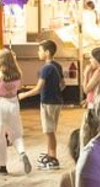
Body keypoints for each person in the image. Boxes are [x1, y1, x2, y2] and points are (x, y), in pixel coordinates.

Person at [19, 40, 66, 171]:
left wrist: (23, 95)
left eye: (40, 50)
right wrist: (55, 90)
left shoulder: (46, 68)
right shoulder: (57, 66)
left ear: (47, 52)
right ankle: (50, 153)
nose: (38, 53)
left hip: (48, 103)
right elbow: (63, 84)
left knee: (49, 131)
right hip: (56, 101)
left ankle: (53, 157)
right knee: (50, 130)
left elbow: (38, 88)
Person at [0, 49, 30, 175]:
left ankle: (2, 166)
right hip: (14, 104)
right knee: (16, 133)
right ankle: (22, 152)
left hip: (0, 105)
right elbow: (19, 88)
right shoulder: (18, 73)